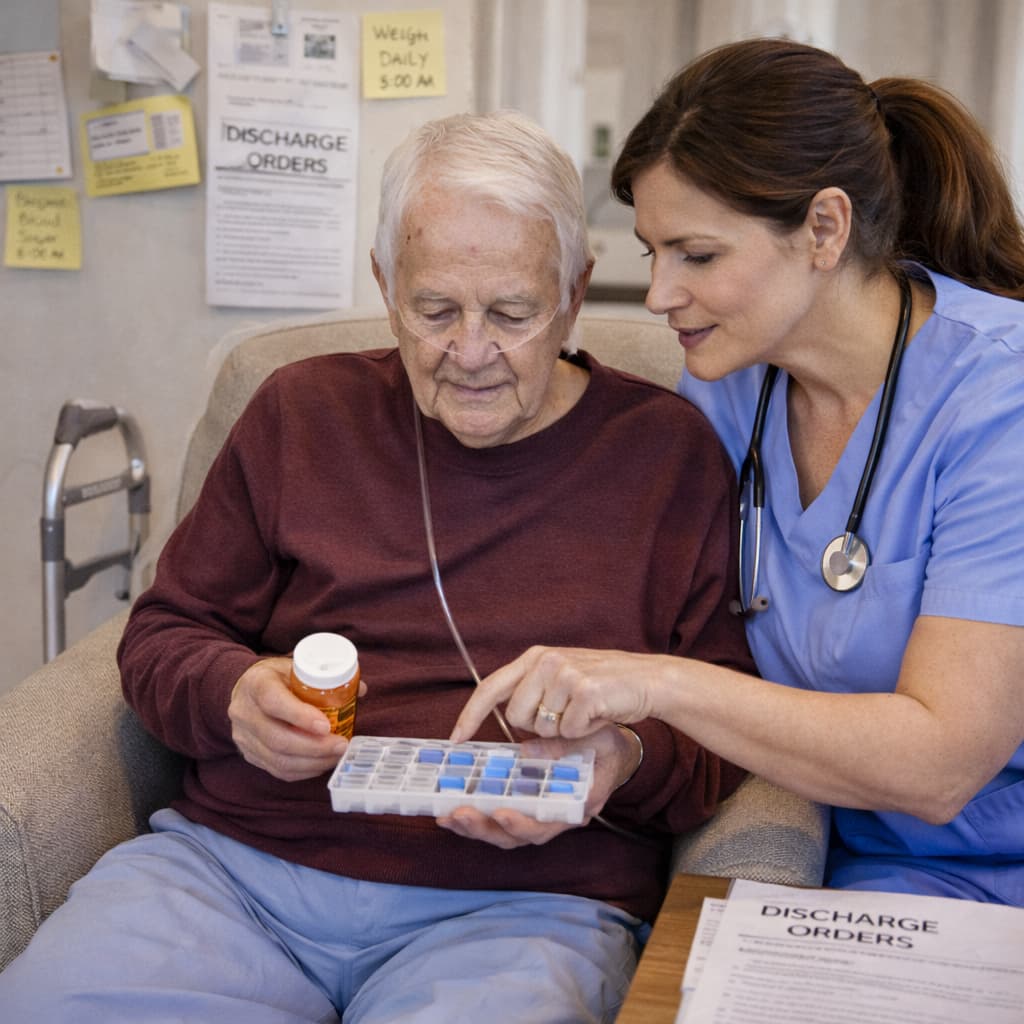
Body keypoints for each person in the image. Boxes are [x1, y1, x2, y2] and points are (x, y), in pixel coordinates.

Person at [0, 111, 754, 1023]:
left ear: (574, 290)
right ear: (383, 283)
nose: (469, 352)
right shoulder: (302, 411)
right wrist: (235, 694)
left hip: (524, 906)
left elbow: (727, 716)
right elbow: (161, 633)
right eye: (433, 310)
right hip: (238, 877)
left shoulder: (667, 452)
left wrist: (617, 758)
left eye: (511, 314)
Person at [452, 38, 1024, 907]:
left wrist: (656, 685)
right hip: (864, 853)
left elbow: (942, 764)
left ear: (824, 229)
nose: (658, 295)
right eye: (653, 253)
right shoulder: (729, 390)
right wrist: (616, 747)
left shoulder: (999, 400)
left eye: (698, 255)